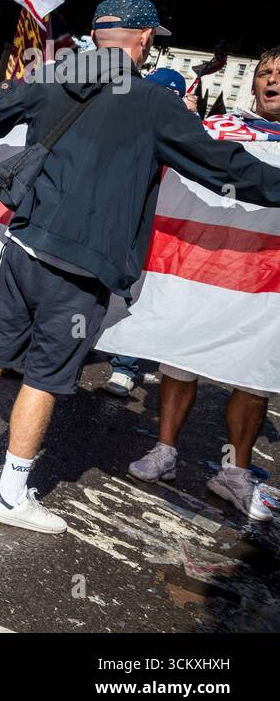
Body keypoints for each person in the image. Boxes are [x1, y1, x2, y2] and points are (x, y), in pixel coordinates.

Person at [0, 0, 280, 534]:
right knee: (45, 377)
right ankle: (10, 491)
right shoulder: (152, 101)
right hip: (83, 266)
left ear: (98, 35)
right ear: (142, 39)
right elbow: (223, 167)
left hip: (24, 245)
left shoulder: (53, 75)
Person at [127, 51, 280, 523]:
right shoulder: (216, 130)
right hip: (200, 272)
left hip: (263, 283)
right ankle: (165, 449)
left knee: (253, 377)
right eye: (264, 74)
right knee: (179, 361)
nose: (271, 80)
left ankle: (235, 471)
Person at [104, 67, 192, 397]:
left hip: (158, 235)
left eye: (172, 98)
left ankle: (124, 365)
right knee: (89, 292)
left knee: (137, 296)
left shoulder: (183, 129)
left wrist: (190, 123)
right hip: (113, 225)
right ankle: (68, 351)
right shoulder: (117, 118)